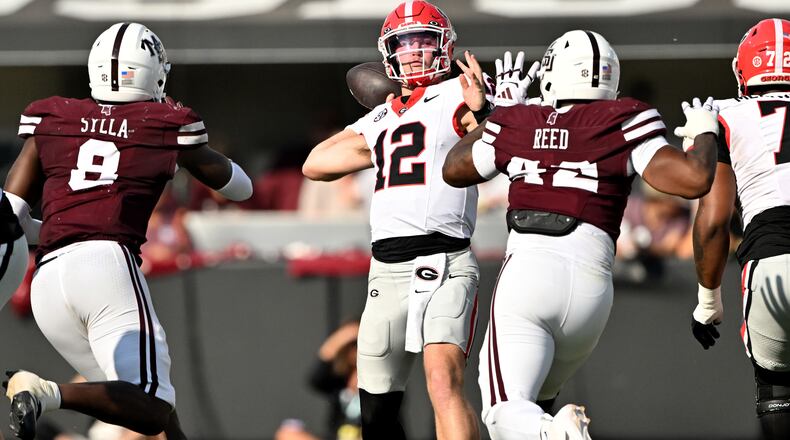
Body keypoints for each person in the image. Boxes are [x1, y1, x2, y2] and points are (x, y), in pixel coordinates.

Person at [442, 30, 719, 439]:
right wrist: (705, 133)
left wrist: (497, 114)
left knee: (504, 413)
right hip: (592, 292)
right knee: (535, 411)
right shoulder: (623, 118)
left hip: (529, 276)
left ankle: (564, 433)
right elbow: (694, 179)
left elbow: (455, 168)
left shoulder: (517, 120)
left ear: (552, 73)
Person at [2, 22, 252, 440]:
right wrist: (180, 138)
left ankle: (50, 394)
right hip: (105, 266)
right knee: (151, 403)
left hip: (47, 277)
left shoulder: (53, 115)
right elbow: (240, 187)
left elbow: (10, 212)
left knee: (141, 400)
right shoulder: (165, 123)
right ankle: (46, 392)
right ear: (154, 71)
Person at [302, 2, 490, 438]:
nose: (413, 51)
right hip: (386, 270)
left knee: (442, 378)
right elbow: (316, 164)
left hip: (446, 259)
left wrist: (484, 112)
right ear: (389, 53)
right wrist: (377, 126)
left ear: (444, 46)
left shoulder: (461, 92)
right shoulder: (382, 116)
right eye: (404, 43)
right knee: (377, 407)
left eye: (424, 40)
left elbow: (499, 139)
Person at [688, 18, 790, 440]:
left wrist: (708, 301)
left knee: (777, 387)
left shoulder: (726, 117)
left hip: (772, 258)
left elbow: (713, 222)